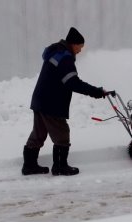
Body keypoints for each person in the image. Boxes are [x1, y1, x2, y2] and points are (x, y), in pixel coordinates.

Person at [22, 27, 107, 176]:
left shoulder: (56, 52)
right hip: (51, 103)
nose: (80, 51)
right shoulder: (65, 58)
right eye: (80, 47)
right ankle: (60, 167)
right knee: (62, 134)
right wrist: (96, 92)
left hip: (41, 99)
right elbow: (73, 83)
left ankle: (29, 165)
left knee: (38, 134)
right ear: (74, 44)